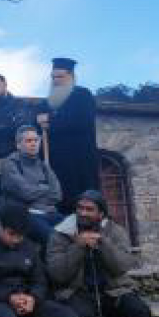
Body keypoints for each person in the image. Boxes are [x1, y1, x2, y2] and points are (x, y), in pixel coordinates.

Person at [48, 191, 155, 317]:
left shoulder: (115, 232)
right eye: (80, 208)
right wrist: (78, 246)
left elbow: (122, 266)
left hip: (113, 291)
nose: (83, 213)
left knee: (140, 312)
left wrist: (103, 243)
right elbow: (57, 274)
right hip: (77, 292)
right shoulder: (60, 234)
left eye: (89, 209)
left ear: (101, 213)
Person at [37, 58, 99, 214]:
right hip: (56, 164)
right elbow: (36, 123)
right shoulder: (46, 103)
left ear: (71, 76)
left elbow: (82, 120)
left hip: (79, 163)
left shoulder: (83, 95)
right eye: (53, 77)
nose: (56, 80)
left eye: (60, 76)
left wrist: (50, 120)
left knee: (82, 204)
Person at [0, 126, 63, 249]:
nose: (33, 144)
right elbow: (25, 193)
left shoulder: (43, 165)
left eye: (36, 140)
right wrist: (45, 188)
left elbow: (57, 195)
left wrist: (36, 190)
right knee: (53, 238)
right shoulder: (10, 164)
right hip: (26, 214)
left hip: (50, 212)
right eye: (28, 141)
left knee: (75, 229)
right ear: (18, 145)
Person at [0, 75, 34, 162]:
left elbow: (21, 128)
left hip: (16, 155)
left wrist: (1, 128)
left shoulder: (19, 104)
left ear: (5, 84)